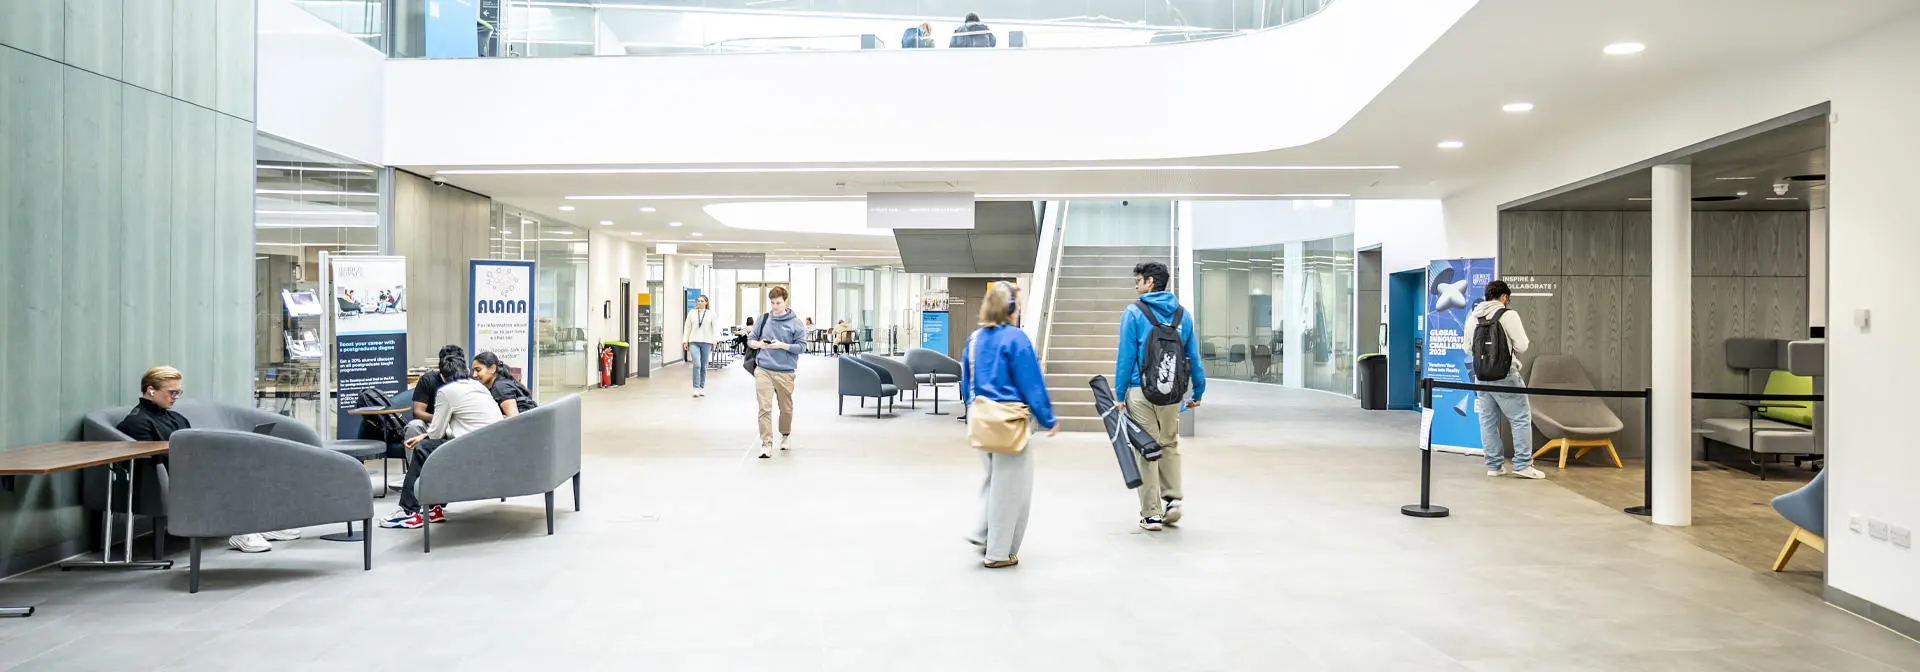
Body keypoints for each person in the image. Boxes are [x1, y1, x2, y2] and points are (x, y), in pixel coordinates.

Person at [116, 366, 300, 553]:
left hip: (192, 469)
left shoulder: (175, 417)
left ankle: (259, 523)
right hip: (175, 478)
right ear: (151, 390)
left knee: (247, 464)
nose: (175, 397)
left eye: (178, 393)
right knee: (233, 472)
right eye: (171, 392)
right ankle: (240, 530)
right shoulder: (138, 422)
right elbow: (149, 463)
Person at [961, 282, 1057, 568]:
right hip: (1009, 422)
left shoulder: (975, 339)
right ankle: (998, 553)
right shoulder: (1016, 338)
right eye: (1018, 302)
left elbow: (966, 381)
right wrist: (1047, 417)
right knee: (1012, 489)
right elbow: (1031, 382)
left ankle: (981, 531)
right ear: (1010, 307)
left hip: (980, 418)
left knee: (993, 480)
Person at [1114, 261, 1206, 532]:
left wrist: (1119, 394)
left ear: (1150, 283)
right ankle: (1174, 500)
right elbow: (1193, 357)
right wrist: (1198, 390)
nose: (1136, 285)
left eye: (1139, 281)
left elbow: (1125, 357)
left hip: (1140, 390)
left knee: (1147, 449)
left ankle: (1151, 513)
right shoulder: (1182, 315)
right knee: (1169, 444)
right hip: (1171, 393)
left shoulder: (1134, 312)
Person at [383, 353, 506, 529]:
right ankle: (433, 507)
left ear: (442, 376)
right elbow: (463, 424)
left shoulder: (446, 391)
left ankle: (409, 511)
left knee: (423, 449)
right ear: (467, 371)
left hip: (470, 448)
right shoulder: (479, 388)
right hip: (490, 446)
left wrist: (425, 436)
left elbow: (436, 433)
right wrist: (425, 435)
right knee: (428, 445)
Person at [1470, 280, 1544, 480]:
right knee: (1520, 419)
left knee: (1487, 422)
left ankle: (1494, 466)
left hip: (1481, 376)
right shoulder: (1508, 314)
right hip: (1506, 375)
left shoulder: (1473, 317)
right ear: (1504, 297)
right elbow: (1522, 346)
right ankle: (1522, 465)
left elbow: (1467, 348)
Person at [749, 287, 806, 458]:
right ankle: (766, 444)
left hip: (785, 371)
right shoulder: (763, 319)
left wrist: (782, 345)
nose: (775, 306)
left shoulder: (796, 323)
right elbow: (751, 340)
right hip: (763, 369)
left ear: (785, 301)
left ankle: (785, 435)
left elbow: (802, 347)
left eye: (778, 303)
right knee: (764, 408)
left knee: (785, 408)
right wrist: (759, 344)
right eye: (772, 303)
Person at [405, 344, 466, 439]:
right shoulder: (428, 379)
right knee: (414, 426)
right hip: (433, 422)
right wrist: (442, 419)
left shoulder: (468, 380)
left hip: (460, 423)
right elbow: (418, 412)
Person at [471, 352, 534, 417]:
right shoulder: (502, 383)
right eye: (473, 371)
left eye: (478, 370)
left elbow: (514, 419)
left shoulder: (500, 387)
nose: (474, 375)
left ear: (493, 368)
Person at [683, 295, 719, 397]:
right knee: (697, 364)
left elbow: (715, 328)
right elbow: (687, 327)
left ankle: (702, 387)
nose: (699, 302)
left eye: (702, 301)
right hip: (694, 341)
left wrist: (715, 341)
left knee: (703, 366)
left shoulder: (711, 314)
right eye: (698, 301)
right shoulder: (692, 313)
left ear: (706, 303)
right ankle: (695, 388)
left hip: (706, 342)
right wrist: (685, 341)